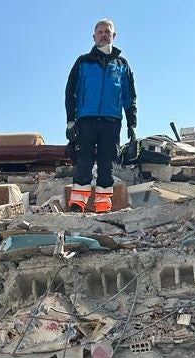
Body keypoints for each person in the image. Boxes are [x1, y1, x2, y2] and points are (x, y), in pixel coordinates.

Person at [65, 19, 137, 213]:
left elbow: (129, 96)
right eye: (100, 32)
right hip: (86, 120)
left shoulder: (122, 65)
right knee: (84, 161)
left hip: (111, 121)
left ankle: (103, 206)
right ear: (94, 36)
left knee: (107, 163)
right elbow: (71, 91)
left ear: (114, 36)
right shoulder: (83, 62)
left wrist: (132, 123)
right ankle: (77, 204)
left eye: (107, 32)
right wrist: (71, 120)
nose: (104, 35)